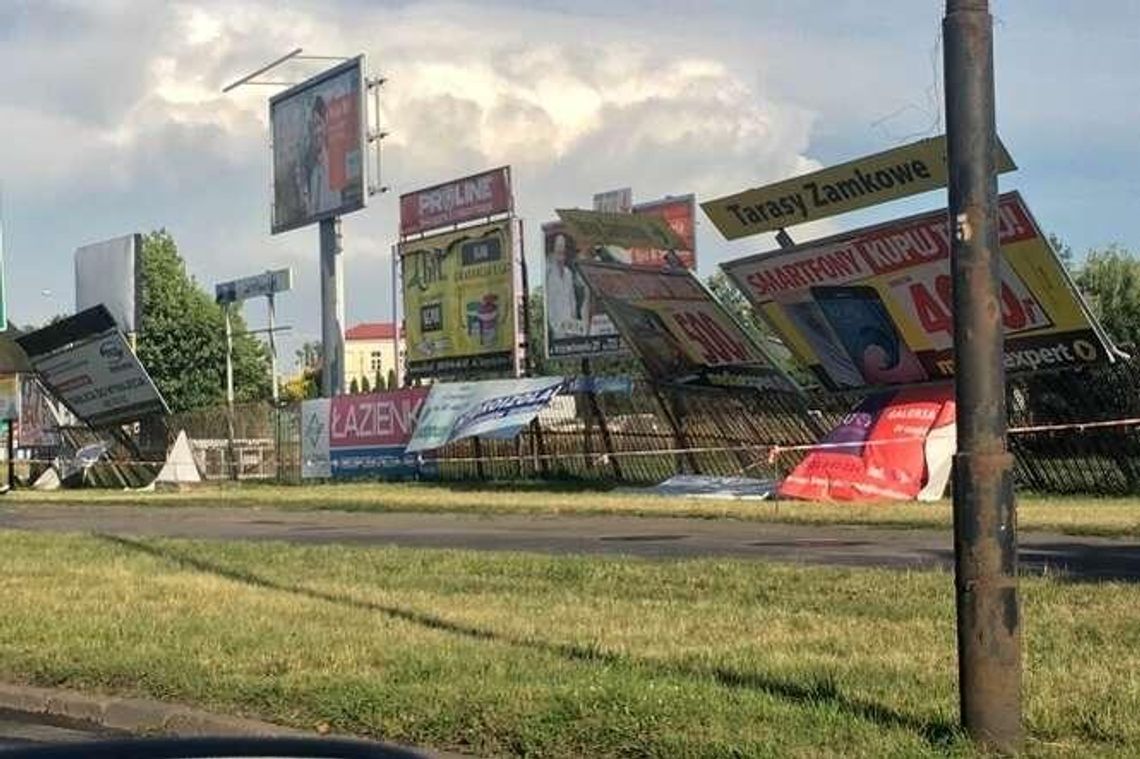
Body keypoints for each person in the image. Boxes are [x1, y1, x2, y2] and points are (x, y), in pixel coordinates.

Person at [545, 232, 588, 340]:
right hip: (555, 327)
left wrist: (572, 323)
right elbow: (547, 302)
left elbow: (572, 300)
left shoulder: (568, 273)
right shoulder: (548, 272)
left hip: (569, 327)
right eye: (558, 246)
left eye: (563, 248)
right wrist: (552, 326)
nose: (561, 251)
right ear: (553, 250)